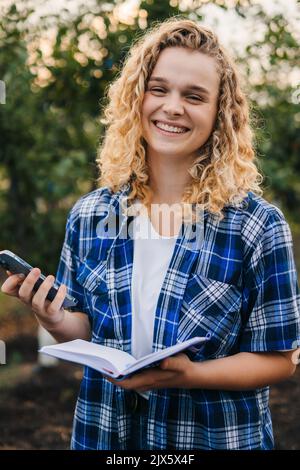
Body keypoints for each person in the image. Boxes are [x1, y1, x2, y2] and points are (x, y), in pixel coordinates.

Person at [1, 17, 300, 450]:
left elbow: (279, 360)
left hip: (212, 438)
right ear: (136, 98)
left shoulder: (256, 225)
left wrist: (192, 375)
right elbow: (85, 332)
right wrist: (53, 318)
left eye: (194, 96)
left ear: (220, 114)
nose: (172, 106)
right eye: (158, 89)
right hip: (107, 435)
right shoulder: (90, 216)